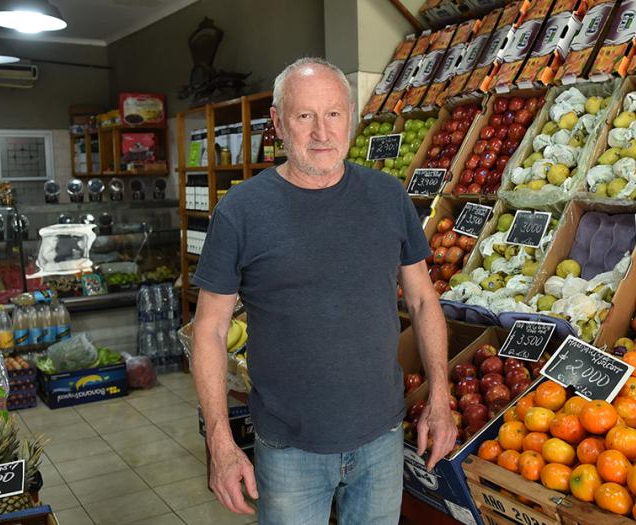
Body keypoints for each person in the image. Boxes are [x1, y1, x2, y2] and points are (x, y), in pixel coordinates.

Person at [190, 57, 457, 525]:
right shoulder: (242, 210)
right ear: (277, 123)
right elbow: (209, 330)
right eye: (304, 116)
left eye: (333, 114)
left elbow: (421, 300)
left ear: (350, 117)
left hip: (382, 439)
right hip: (289, 448)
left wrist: (439, 397)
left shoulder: (388, 196)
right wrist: (220, 442)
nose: (322, 132)